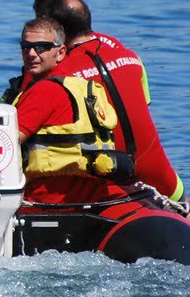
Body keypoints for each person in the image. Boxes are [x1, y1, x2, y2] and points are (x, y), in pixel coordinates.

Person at [10, 0, 188, 204]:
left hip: (107, 167)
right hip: (153, 160)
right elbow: (142, 105)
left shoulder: (57, 74)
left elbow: (21, 118)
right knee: (182, 203)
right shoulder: (130, 56)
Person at [9, 16, 137, 207]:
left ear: (60, 52)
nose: (31, 53)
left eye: (42, 47)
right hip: (88, 197)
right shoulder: (79, 86)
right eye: (25, 46)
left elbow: (5, 145)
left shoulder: (43, 92)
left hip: (47, 203)